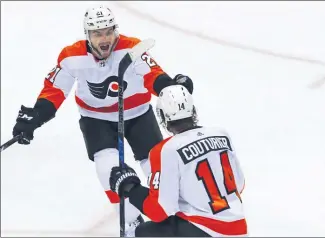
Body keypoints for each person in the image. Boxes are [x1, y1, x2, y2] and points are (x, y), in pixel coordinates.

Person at [11, 5, 193, 237]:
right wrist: (34, 118)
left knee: (156, 166)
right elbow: (54, 91)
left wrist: (170, 86)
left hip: (138, 113)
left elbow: (152, 74)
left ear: (116, 31)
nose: (104, 38)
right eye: (98, 33)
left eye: (108, 32)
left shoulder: (132, 48)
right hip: (96, 119)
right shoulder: (71, 56)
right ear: (87, 35)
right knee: (107, 170)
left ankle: (176, 214)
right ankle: (131, 221)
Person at [109, 85, 248, 237]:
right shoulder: (222, 135)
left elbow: (159, 210)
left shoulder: (166, 150)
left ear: (162, 116)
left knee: (136, 233)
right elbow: (239, 185)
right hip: (239, 229)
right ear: (193, 110)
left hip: (202, 231)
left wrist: (130, 188)